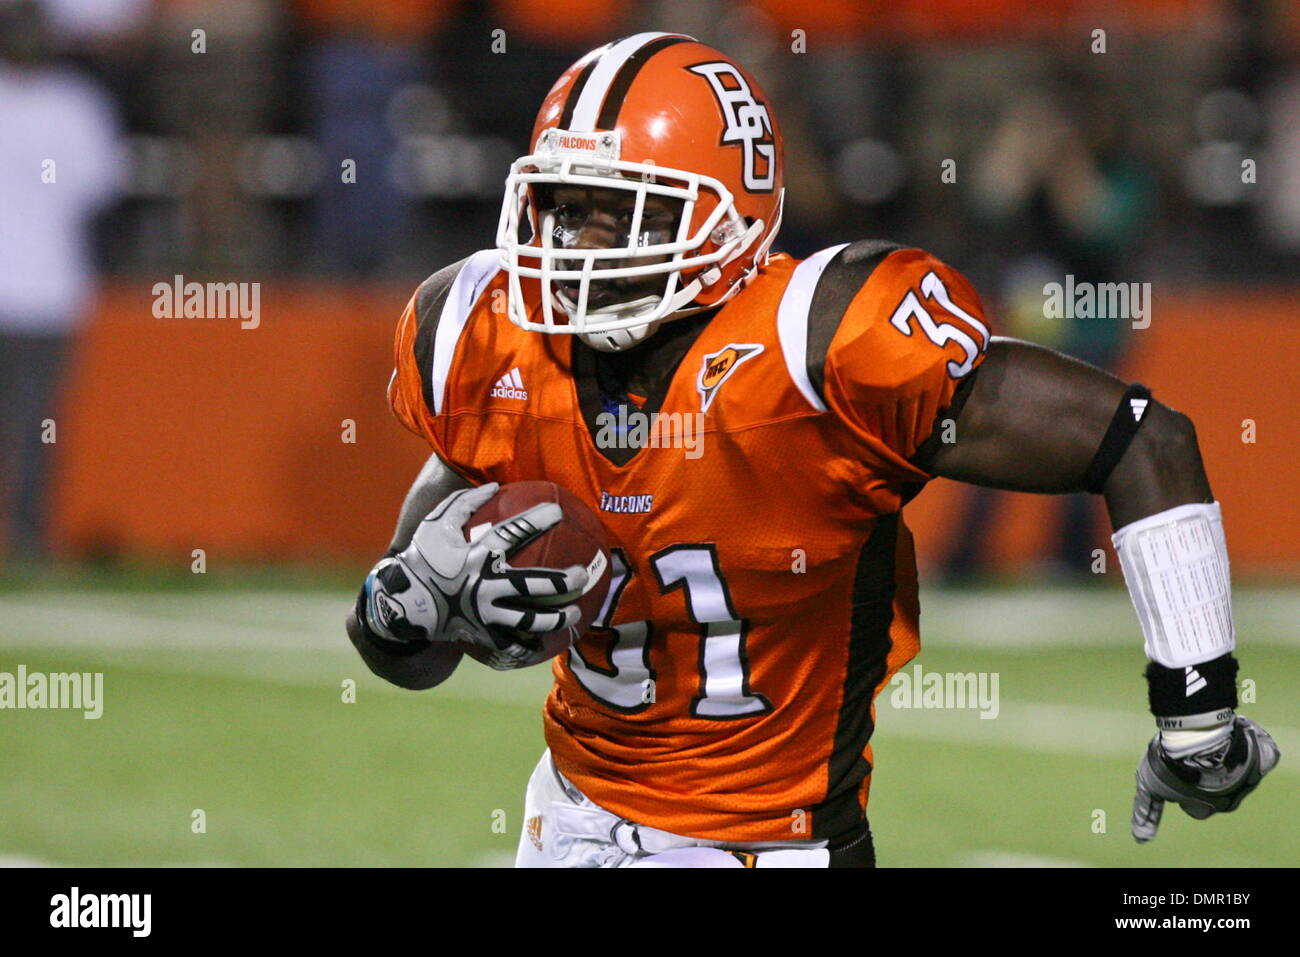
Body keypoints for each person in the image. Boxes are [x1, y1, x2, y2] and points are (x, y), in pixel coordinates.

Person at [345, 33, 1278, 867]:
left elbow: (1140, 437)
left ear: (727, 221)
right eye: (561, 206)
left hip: (778, 845)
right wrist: (408, 607)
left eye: (619, 213)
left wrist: (1196, 711)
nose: (573, 245)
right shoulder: (478, 336)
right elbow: (406, 649)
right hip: (565, 825)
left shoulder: (817, 343)